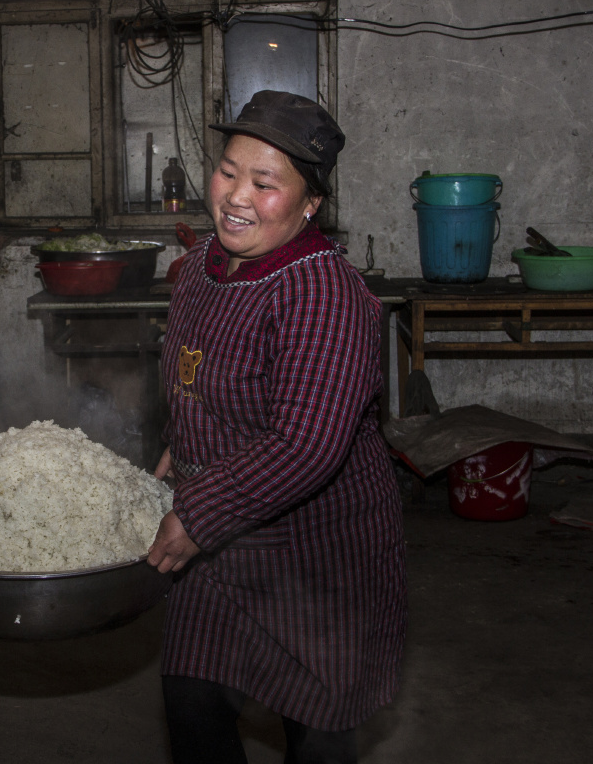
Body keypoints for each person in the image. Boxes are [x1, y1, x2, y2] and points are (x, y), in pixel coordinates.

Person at [147, 91, 407, 764]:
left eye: (265, 184)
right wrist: (184, 440)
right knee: (193, 699)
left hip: (315, 551)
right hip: (224, 547)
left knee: (315, 727)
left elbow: (306, 443)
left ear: (310, 203)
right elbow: (202, 376)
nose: (237, 195)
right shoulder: (201, 269)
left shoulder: (322, 292)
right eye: (229, 170)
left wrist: (197, 513)